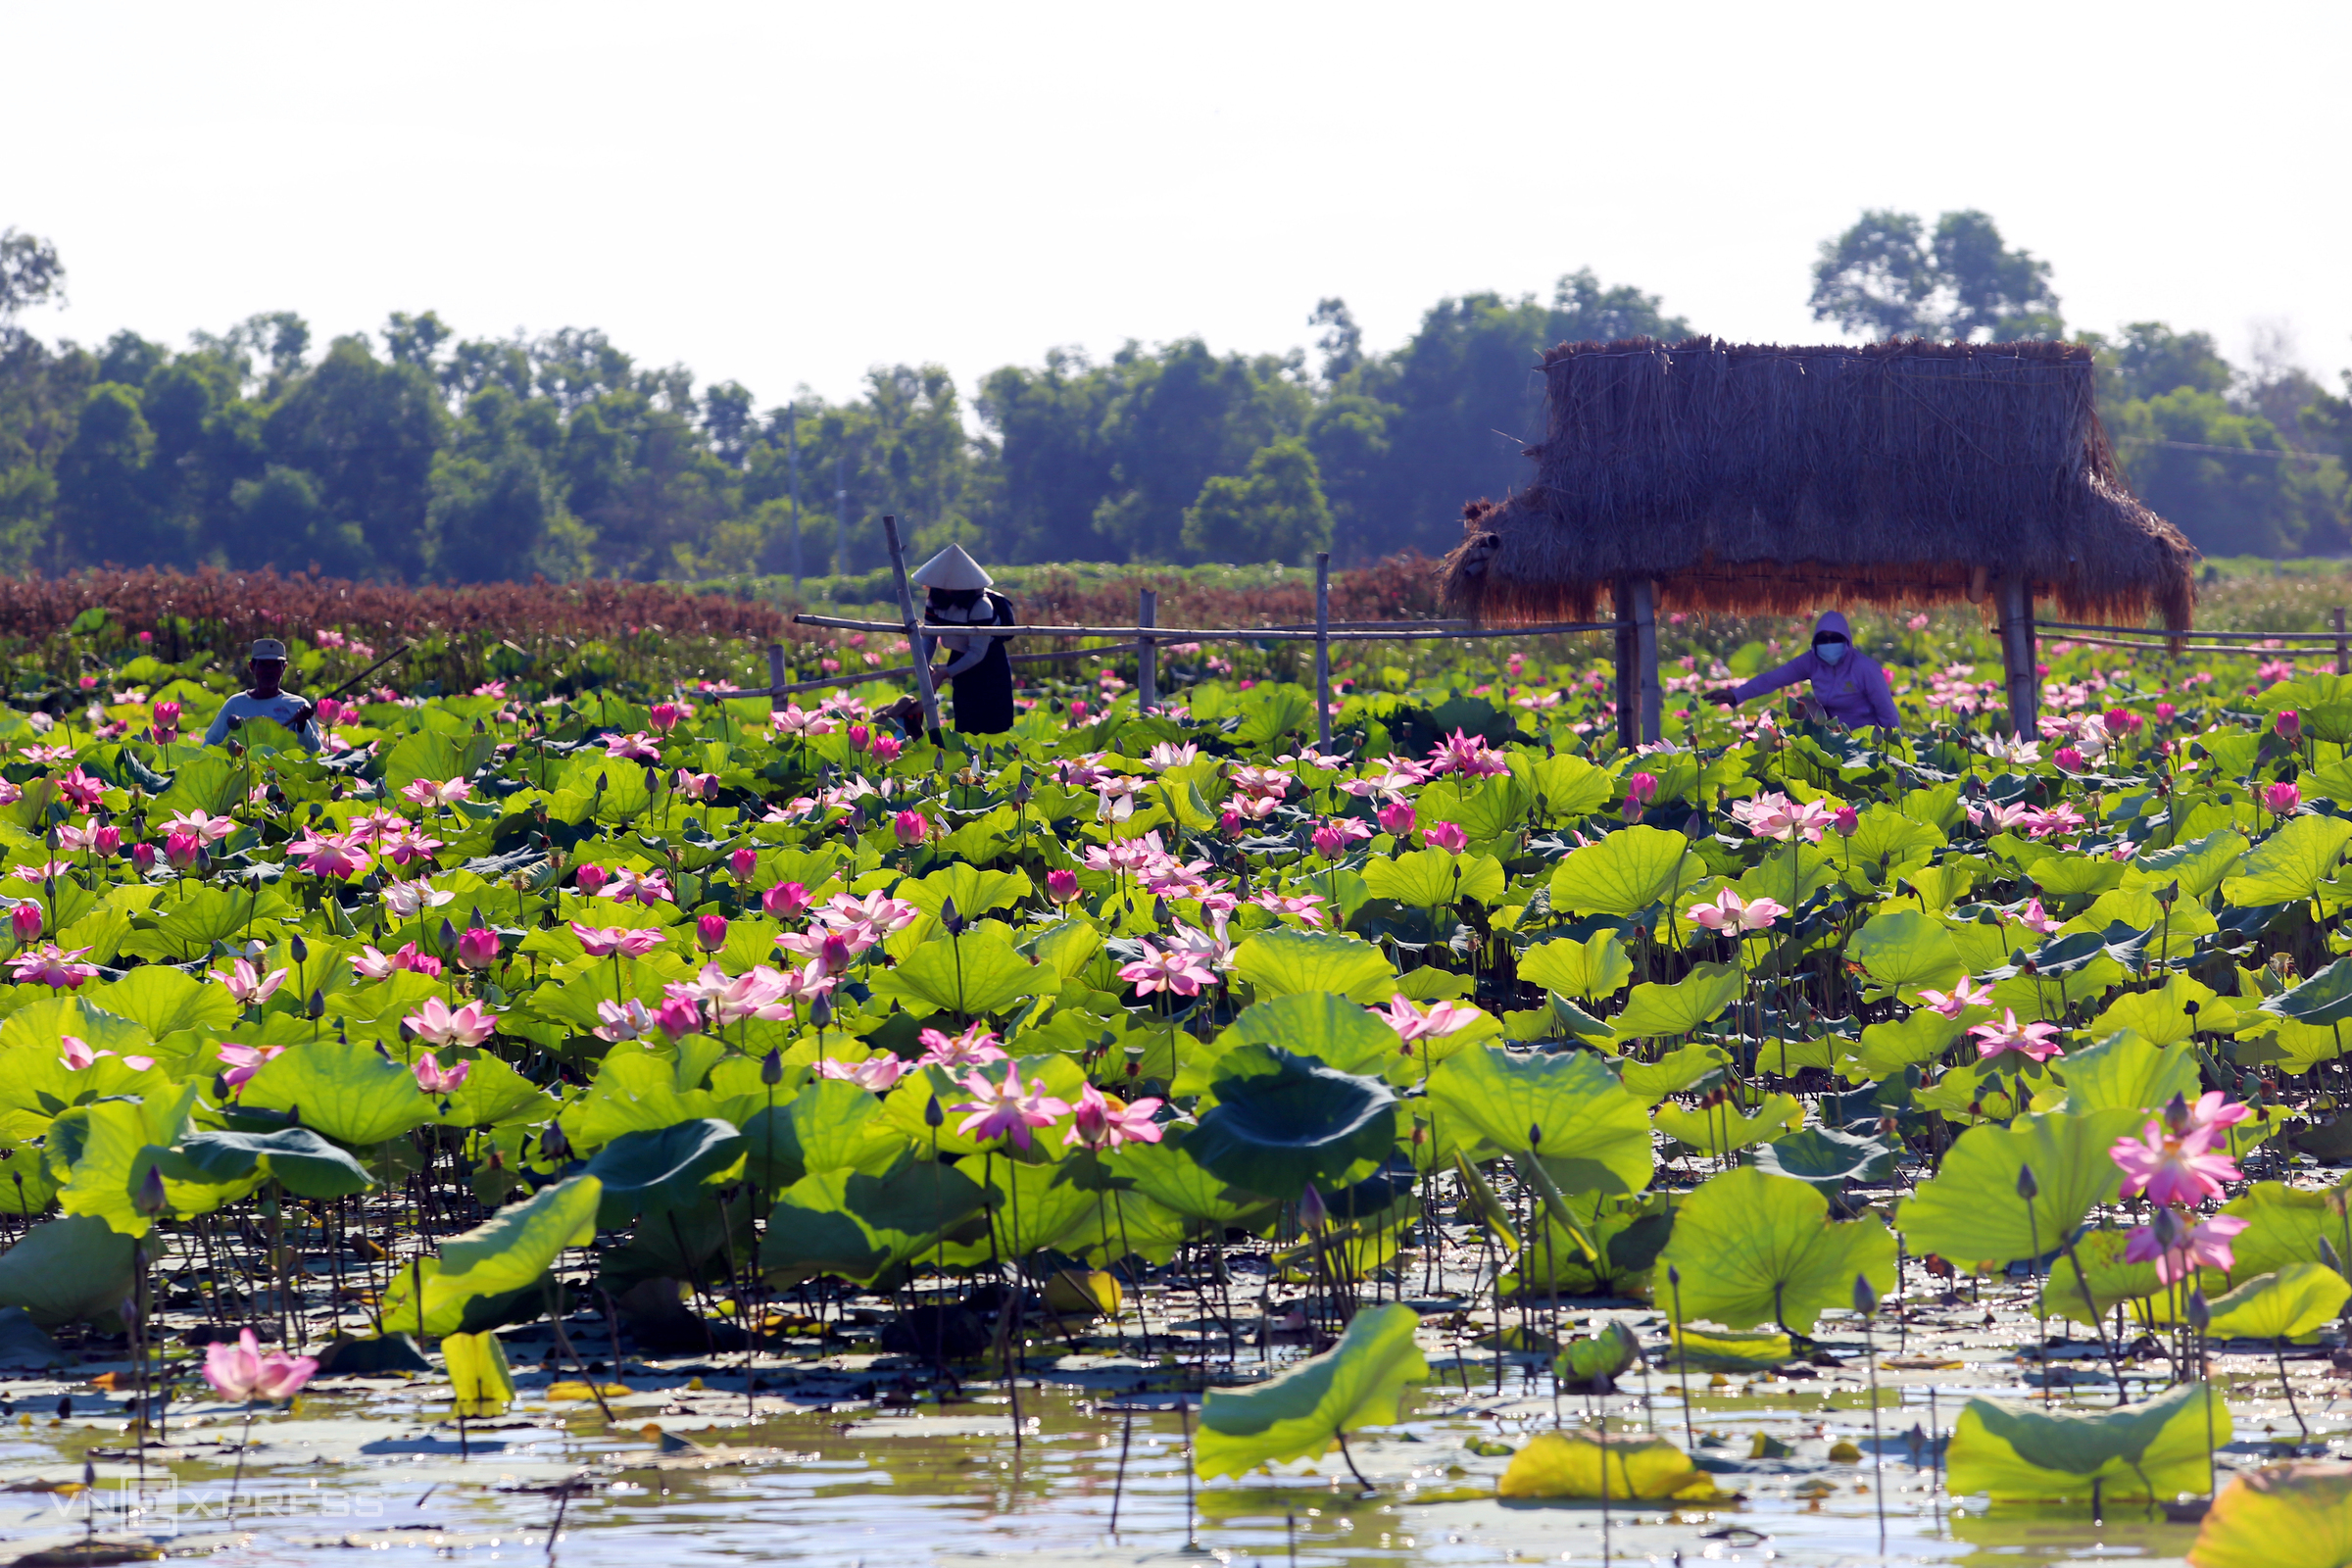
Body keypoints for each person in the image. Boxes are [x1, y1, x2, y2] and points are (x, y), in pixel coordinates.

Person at [1707, 610, 1898, 731]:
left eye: (1835, 639)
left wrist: (1894, 752)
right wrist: (1736, 694)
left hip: (1868, 735)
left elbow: (1888, 712)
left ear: (1847, 640)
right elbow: (1772, 679)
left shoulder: (1865, 668)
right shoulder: (1811, 661)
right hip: (1833, 731)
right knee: (1802, 705)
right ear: (1815, 642)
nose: (1829, 644)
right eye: (1823, 639)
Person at [906, 543, 1015, 735]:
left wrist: (944, 674)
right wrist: (924, 663)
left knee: (993, 724)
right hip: (959, 660)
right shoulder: (934, 601)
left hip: (988, 664)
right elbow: (930, 637)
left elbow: (977, 652)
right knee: (966, 722)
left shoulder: (981, 605)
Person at [203, 638, 320, 752]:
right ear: (252, 667)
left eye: (275, 665)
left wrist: (302, 725)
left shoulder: (299, 706)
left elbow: (314, 750)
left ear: (284, 668)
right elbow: (211, 743)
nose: (269, 671)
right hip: (246, 770)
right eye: (263, 665)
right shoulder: (235, 704)